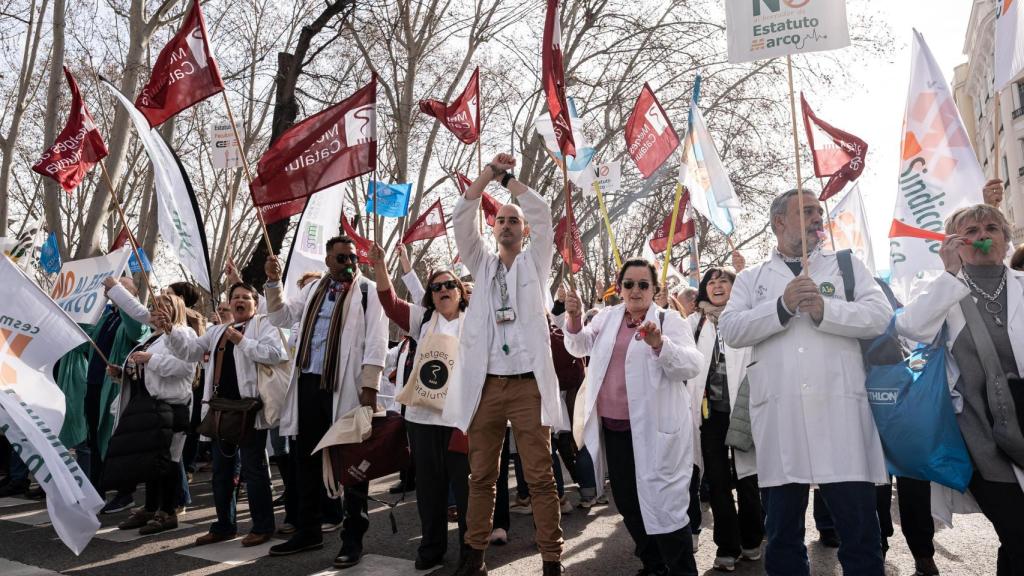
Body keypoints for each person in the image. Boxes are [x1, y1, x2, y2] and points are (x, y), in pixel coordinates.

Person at [719, 188, 892, 576]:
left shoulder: (847, 266)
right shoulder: (752, 278)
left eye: (819, 210)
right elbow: (731, 329)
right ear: (779, 222)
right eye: (807, 211)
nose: (818, 217)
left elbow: (880, 315)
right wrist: (781, 307)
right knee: (781, 537)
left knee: (861, 536)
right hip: (782, 422)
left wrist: (826, 311)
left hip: (842, 418)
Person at [446, 153, 565, 576]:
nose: (508, 225)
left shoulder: (536, 262)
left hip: (529, 386)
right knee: (481, 477)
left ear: (524, 230)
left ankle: (552, 559)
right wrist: (485, 177)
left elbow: (545, 214)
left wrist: (509, 180)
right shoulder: (481, 265)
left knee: (539, 477)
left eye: (515, 221)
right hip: (487, 387)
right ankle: (473, 556)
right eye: (501, 221)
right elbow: (462, 219)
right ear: (493, 229)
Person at [895, 204, 1024, 576]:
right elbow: (912, 328)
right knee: (1018, 529)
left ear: (1004, 237)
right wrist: (950, 273)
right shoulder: (944, 289)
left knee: (1016, 537)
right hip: (978, 436)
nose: (983, 235)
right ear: (954, 242)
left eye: (991, 228)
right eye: (971, 231)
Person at [563, 258, 704, 576]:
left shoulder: (669, 321)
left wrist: (660, 345)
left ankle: (682, 570)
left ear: (655, 289)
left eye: (643, 284)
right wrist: (573, 317)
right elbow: (578, 345)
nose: (636, 290)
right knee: (628, 502)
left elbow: (692, 364)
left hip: (657, 432)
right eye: (629, 284)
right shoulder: (608, 318)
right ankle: (654, 564)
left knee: (665, 508)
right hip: (615, 430)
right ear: (620, 287)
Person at [263, 236, 388, 570]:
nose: (348, 262)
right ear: (327, 260)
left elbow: (376, 342)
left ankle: (353, 539)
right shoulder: (313, 289)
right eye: (341, 257)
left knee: (351, 463)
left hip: (344, 387)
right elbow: (279, 317)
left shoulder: (368, 291)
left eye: (352, 257)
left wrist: (369, 390)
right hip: (307, 383)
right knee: (305, 459)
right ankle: (308, 530)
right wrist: (273, 282)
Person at [164, 282, 288, 548]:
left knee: (254, 470)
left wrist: (242, 341)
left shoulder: (263, 326)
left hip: (249, 410)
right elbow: (189, 352)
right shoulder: (218, 330)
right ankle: (223, 525)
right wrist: (170, 331)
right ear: (229, 303)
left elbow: (276, 355)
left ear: (255, 304)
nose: (240, 301)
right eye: (235, 297)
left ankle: (263, 526)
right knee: (221, 471)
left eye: (246, 297)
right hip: (221, 411)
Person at [370, 244, 471, 571]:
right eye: (436, 286)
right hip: (422, 420)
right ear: (430, 295)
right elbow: (390, 302)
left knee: (467, 490)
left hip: (462, 421)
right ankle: (432, 549)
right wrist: (380, 266)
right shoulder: (422, 320)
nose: (443, 290)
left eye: (449, 285)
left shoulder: (477, 322)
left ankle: (472, 551)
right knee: (429, 490)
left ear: (460, 291)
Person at [689, 266, 763, 572]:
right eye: (712, 282)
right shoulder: (695, 323)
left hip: (745, 410)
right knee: (718, 482)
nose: (717, 286)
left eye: (725, 281)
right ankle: (727, 546)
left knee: (748, 478)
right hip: (710, 417)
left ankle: (752, 539)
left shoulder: (747, 317)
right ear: (704, 289)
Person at [104, 292, 197, 535]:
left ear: (176, 310)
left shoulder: (183, 335)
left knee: (168, 462)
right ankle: (150, 507)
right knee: (150, 461)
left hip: (171, 407)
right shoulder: (149, 338)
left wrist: (150, 359)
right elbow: (143, 372)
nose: (156, 311)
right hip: (148, 408)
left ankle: (167, 511)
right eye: (153, 307)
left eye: (163, 306)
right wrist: (121, 373)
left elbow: (185, 367)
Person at [60, 277, 150, 514]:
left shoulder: (137, 320)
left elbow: (136, 333)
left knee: (115, 441)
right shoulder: (107, 316)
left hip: (115, 388)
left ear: (131, 294)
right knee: (95, 440)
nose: (110, 291)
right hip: (94, 385)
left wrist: (120, 294)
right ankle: (97, 490)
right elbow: (85, 343)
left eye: (119, 288)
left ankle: (125, 492)